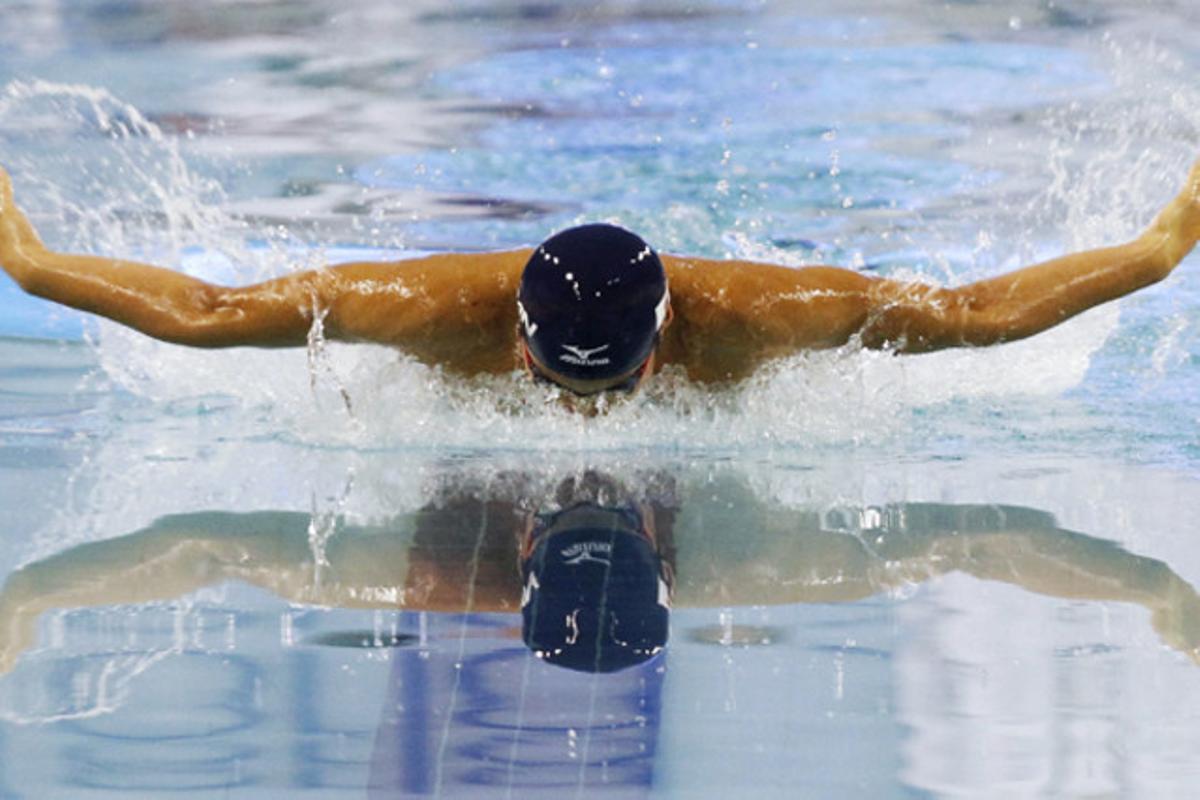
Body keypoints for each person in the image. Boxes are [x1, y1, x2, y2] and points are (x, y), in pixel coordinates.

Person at [1, 159, 1198, 396]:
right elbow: (209, 314)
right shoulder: (422, 310)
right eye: (562, 377)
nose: (583, 407)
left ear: (667, 332)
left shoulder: (764, 318)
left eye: (614, 386)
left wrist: (1158, 249)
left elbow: (976, 315)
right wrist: (29, 260)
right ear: (512, 335)